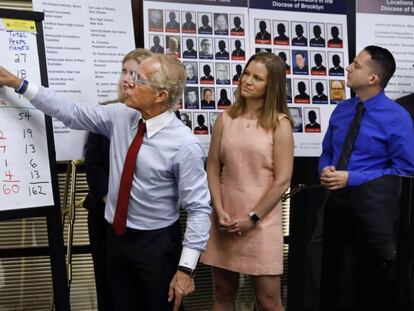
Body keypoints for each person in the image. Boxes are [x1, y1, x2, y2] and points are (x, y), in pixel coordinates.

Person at [0, 53, 212, 310]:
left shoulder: (184, 145)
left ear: (161, 96)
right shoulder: (120, 116)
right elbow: (71, 112)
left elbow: (199, 209)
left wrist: (185, 269)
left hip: (155, 246)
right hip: (116, 239)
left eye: (139, 79)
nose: (128, 83)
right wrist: (17, 83)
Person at [317, 45, 414, 310]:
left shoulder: (398, 118)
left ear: (373, 78)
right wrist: (325, 169)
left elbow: (405, 171)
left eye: (356, 65)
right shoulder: (342, 110)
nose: (348, 67)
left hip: (373, 216)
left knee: (366, 289)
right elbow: (327, 151)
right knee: (328, 281)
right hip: (334, 207)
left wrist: (353, 178)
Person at [201, 52, 294, 311]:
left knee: (269, 301)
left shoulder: (280, 124)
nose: (247, 81)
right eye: (246, 73)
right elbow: (212, 167)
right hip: (225, 220)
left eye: (257, 77)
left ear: (271, 85)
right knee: (222, 293)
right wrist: (218, 210)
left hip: (262, 224)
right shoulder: (226, 118)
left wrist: (252, 218)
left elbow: (283, 180)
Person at [83, 48, 152, 311]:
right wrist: (111, 201)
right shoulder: (105, 112)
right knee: (109, 284)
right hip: (104, 213)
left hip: (146, 217)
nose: (126, 78)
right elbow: (93, 163)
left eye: (134, 73)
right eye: (124, 71)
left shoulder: (162, 118)